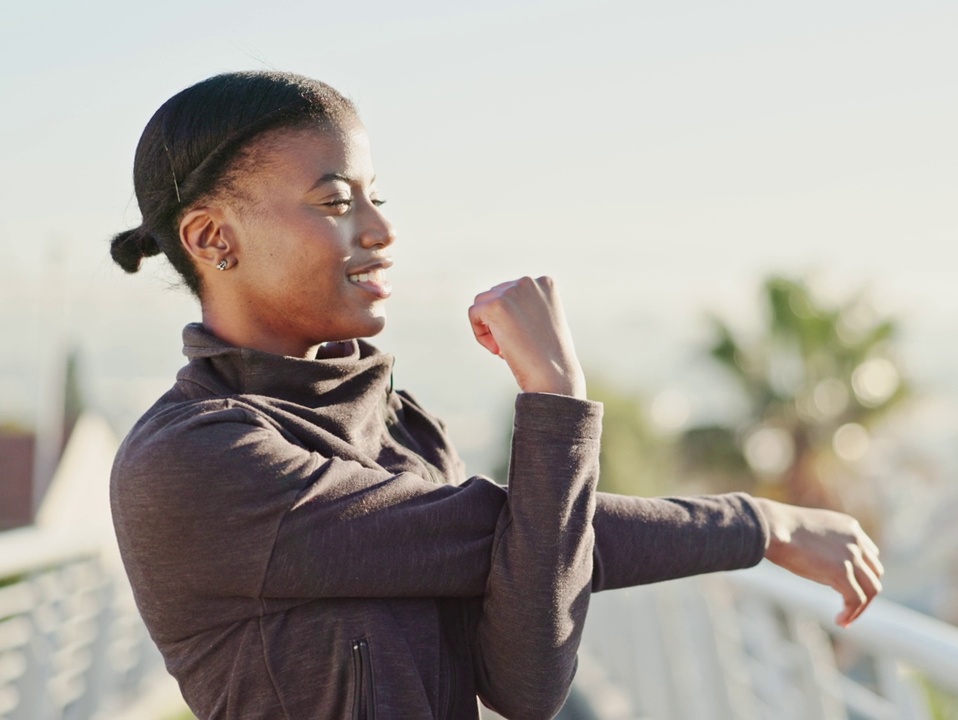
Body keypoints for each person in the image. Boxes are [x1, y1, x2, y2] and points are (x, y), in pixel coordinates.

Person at [107, 70, 884, 720]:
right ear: (214, 239)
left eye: (379, 197)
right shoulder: (195, 457)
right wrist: (558, 399)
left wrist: (759, 526)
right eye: (337, 202)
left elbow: (525, 680)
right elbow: (506, 532)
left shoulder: (406, 429)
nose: (380, 229)